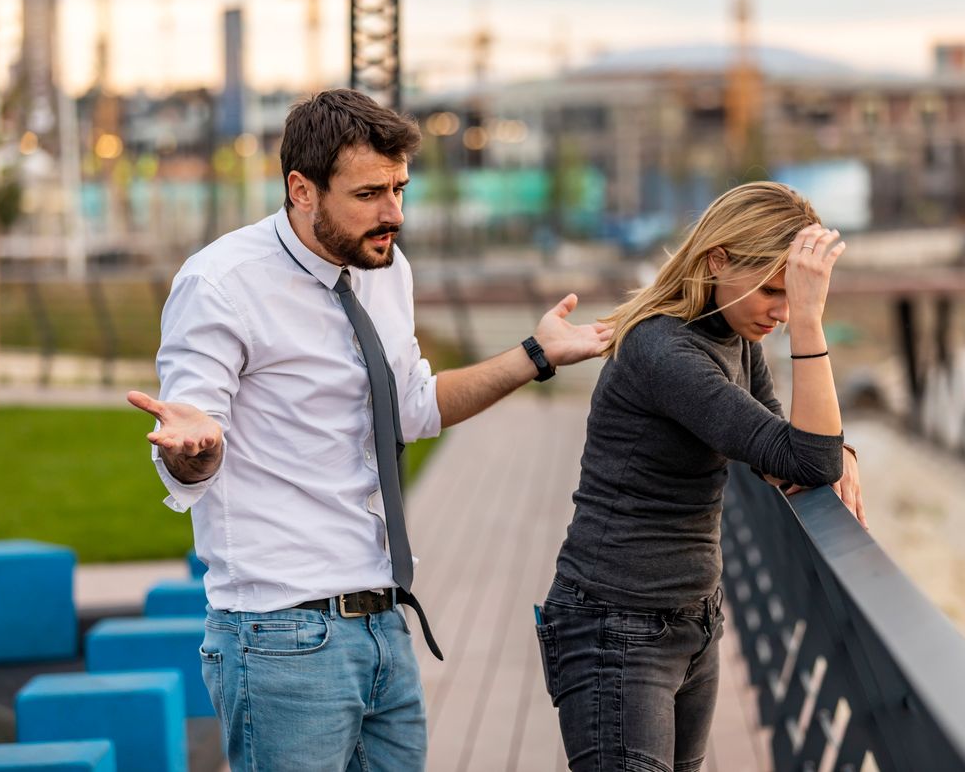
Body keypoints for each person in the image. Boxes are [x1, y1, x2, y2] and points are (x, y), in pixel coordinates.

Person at [127, 88, 609, 772]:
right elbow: (190, 438)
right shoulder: (219, 285)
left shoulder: (385, 269)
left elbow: (412, 407)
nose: (395, 214)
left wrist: (534, 356)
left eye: (400, 188)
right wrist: (195, 453)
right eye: (370, 193)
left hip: (383, 622)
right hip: (280, 637)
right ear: (301, 189)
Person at [536, 181, 866, 772]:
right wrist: (812, 324)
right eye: (772, 290)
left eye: (793, 297)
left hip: (693, 620)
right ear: (717, 260)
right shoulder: (664, 351)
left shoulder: (736, 337)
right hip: (618, 629)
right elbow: (809, 459)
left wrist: (845, 453)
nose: (782, 311)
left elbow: (785, 455)